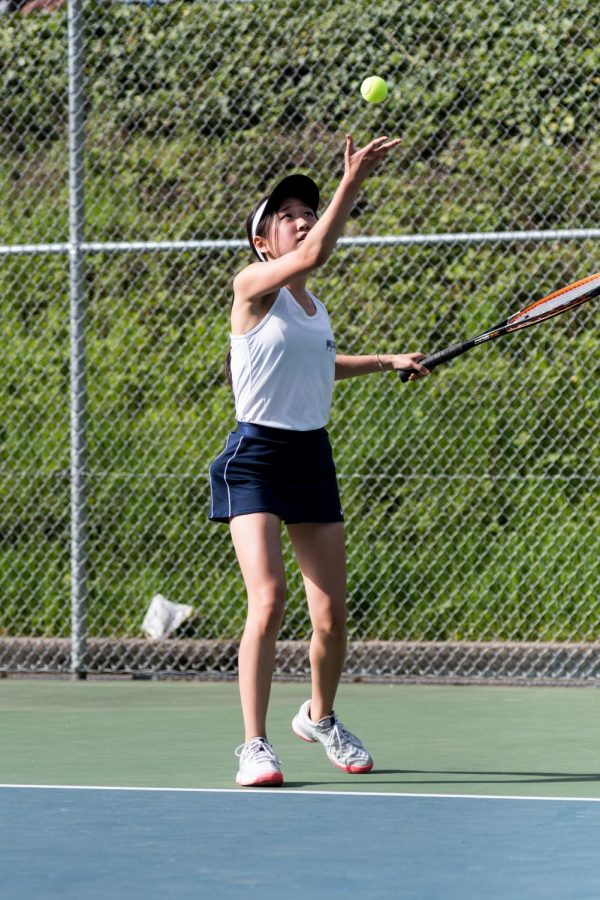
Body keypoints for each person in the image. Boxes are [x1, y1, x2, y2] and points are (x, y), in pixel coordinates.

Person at [209, 133, 429, 787]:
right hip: (254, 456)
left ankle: (320, 716)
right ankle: (253, 744)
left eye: (308, 208)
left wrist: (387, 360)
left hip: (311, 456)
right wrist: (351, 182)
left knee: (331, 615)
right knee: (270, 601)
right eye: (287, 215)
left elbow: (319, 364)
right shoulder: (251, 285)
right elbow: (317, 251)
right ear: (263, 241)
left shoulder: (311, 306)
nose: (301, 218)